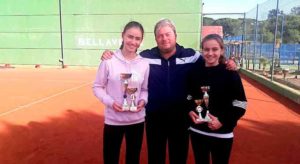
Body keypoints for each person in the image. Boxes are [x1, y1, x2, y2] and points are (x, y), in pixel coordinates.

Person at [100, 19, 236, 164]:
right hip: (154, 119)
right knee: (155, 157)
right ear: (156, 38)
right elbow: (127, 56)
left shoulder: (191, 55)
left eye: (168, 34)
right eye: (160, 35)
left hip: (181, 119)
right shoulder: (145, 57)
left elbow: (211, 57)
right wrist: (110, 54)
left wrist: (229, 62)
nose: (164, 38)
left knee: (178, 157)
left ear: (175, 35)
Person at [93, 21, 150, 164]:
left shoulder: (144, 63)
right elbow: (97, 86)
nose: (133, 42)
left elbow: (144, 89)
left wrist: (143, 101)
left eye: (137, 39)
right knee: (110, 158)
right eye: (130, 37)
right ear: (123, 36)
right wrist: (111, 103)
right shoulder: (109, 61)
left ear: (141, 41)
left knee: (133, 159)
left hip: (136, 121)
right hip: (114, 120)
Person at [187, 34, 247, 164]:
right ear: (202, 50)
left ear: (222, 50)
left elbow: (240, 104)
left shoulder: (230, 73)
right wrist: (190, 110)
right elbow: (189, 96)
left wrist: (222, 121)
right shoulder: (195, 71)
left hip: (222, 133)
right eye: (206, 49)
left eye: (214, 49)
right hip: (198, 132)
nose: (210, 53)